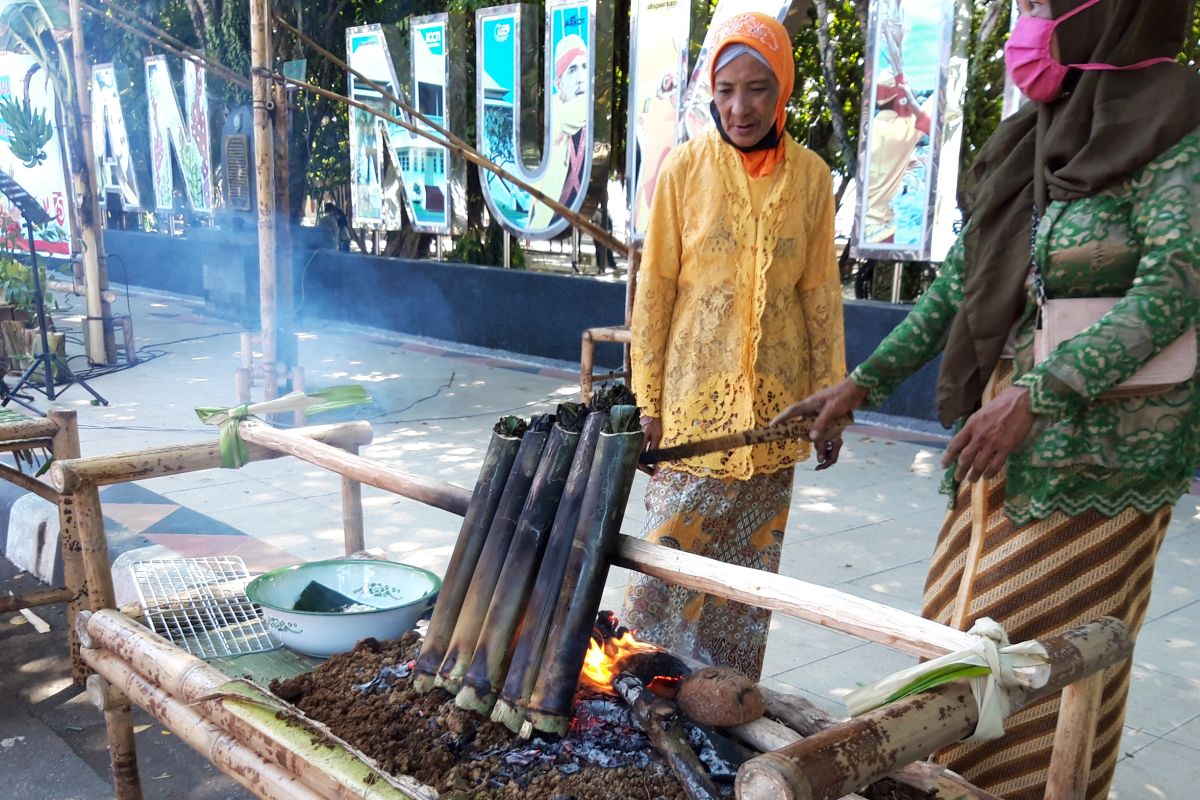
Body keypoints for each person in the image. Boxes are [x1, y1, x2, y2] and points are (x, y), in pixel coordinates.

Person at [774, 1, 1199, 797]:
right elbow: (958, 291)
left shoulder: (1177, 126)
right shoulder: (1039, 132)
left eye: (1043, 5)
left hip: (1106, 457)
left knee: (1049, 659)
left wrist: (1040, 393)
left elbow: (1177, 287)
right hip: (1004, 429)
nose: (1028, 23)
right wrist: (862, 383)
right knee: (961, 630)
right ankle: (950, 784)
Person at [620, 12, 845, 682]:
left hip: (775, 425)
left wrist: (831, 399)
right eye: (725, 90)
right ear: (710, 93)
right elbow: (655, 296)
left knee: (742, 599)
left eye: (757, 89)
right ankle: (637, 710)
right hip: (692, 419)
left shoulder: (811, 178)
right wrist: (647, 405)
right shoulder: (684, 171)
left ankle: (720, 717)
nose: (740, 107)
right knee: (661, 587)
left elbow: (820, 297)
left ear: (783, 90)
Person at [529, 34, 590, 230]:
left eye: (584, 67)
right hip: (548, 217)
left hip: (563, 214)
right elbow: (589, 105)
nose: (581, 79)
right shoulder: (559, 113)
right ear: (559, 84)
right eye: (572, 70)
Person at [863, 69, 931, 243]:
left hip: (863, 224)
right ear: (901, 98)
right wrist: (913, 102)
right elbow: (934, 127)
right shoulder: (905, 128)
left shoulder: (870, 128)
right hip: (881, 229)